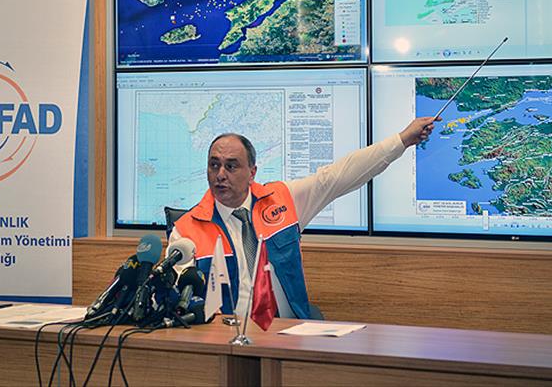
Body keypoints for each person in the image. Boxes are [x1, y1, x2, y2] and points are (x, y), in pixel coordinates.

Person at [168, 116, 439, 319]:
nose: (220, 175)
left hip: (288, 332)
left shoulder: (283, 200)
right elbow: (180, 300)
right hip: (223, 339)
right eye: (214, 165)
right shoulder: (186, 230)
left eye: (231, 166)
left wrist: (402, 140)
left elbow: (339, 176)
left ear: (252, 172)